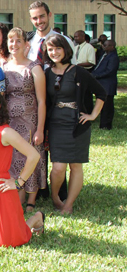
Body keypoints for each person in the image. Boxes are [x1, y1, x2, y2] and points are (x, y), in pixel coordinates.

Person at [0, 86, 45, 247]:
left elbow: (34, 155)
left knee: (8, 241)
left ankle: (35, 219)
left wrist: (18, 182)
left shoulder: (5, 132)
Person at [43, 34, 106, 214]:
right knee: (58, 168)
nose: (54, 52)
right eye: (50, 49)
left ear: (66, 50)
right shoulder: (47, 73)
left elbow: (101, 93)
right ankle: (55, 198)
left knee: (76, 165)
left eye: (58, 48)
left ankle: (68, 204)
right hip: (56, 125)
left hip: (77, 124)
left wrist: (93, 115)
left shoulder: (78, 72)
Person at [3, 27, 47, 211]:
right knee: (14, 159)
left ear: (26, 45)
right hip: (10, 122)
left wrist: (40, 129)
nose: (14, 44)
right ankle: (17, 195)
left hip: (30, 121)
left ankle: (31, 200)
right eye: (11, 41)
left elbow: (42, 101)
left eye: (18, 41)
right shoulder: (3, 67)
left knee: (31, 154)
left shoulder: (34, 67)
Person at [27, 1, 76, 65]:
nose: (39, 21)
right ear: (31, 20)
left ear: (49, 15)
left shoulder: (66, 41)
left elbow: (73, 68)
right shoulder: (27, 42)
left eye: (42, 16)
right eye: (35, 18)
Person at [92, 40, 119, 130]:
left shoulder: (113, 57)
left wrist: (96, 75)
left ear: (112, 47)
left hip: (108, 84)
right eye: (104, 45)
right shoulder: (105, 54)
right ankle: (103, 124)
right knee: (103, 105)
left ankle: (106, 125)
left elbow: (110, 71)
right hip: (102, 84)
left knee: (107, 106)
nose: (104, 46)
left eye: (106, 45)